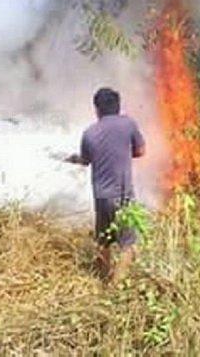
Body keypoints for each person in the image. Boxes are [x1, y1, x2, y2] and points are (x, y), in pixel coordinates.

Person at [66, 87, 145, 285]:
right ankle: (114, 287)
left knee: (103, 243)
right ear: (118, 106)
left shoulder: (89, 133)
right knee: (129, 246)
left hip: (101, 197)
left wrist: (74, 159)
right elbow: (141, 151)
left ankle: (103, 280)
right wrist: (125, 153)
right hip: (123, 195)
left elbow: (85, 160)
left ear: (97, 109)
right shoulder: (128, 124)